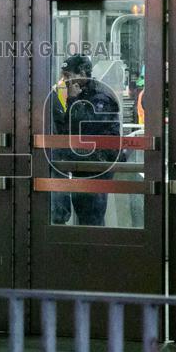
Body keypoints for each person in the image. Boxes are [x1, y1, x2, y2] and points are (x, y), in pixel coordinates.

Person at [50, 54, 121, 226]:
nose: (64, 80)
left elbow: (86, 127)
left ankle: (94, 250)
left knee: (92, 215)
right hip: (82, 160)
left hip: (97, 164)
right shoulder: (81, 94)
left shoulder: (100, 95)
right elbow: (68, 129)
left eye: (68, 75)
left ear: (82, 72)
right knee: (83, 210)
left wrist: (73, 99)